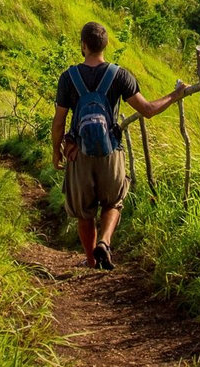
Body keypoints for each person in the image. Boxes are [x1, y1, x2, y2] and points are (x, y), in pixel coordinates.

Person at [51, 21, 191, 270]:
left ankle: (92, 260)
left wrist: (56, 153)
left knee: (84, 212)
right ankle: (104, 242)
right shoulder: (120, 75)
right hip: (111, 151)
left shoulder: (68, 78)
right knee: (113, 202)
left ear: (83, 46)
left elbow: (59, 122)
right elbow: (147, 110)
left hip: (79, 154)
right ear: (105, 45)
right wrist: (175, 94)